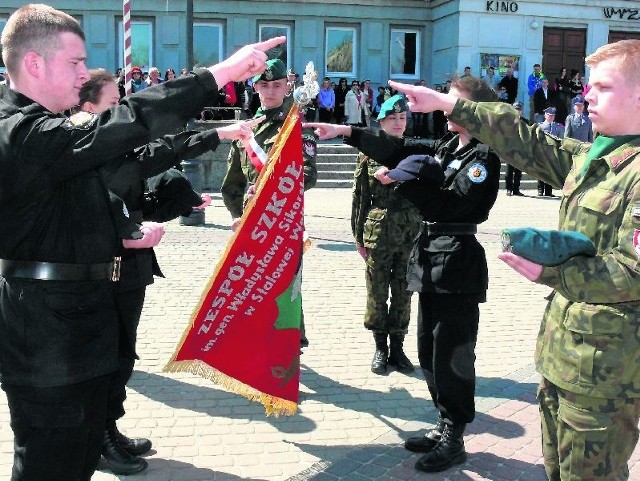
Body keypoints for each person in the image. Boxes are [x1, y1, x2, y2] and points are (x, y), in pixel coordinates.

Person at [0, 5, 284, 480]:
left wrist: (126, 232)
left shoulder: (47, 133)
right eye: (75, 63)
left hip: (81, 323)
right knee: (50, 465)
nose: (83, 75)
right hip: (48, 340)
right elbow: (130, 123)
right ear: (34, 63)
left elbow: (81, 206)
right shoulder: (20, 132)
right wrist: (219, 74)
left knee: (79, 457)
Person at [385, 38, 640, 481]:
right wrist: (450, 103)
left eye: (603, 87)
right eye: (589, 86)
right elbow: (527, 141)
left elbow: (633, 271)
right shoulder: (600, 158)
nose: (586, 94)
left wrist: (555, 270)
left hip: (608, 372)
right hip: (566, 357)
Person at [305, 75, 501, 474]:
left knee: (453, 354)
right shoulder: (448, 146)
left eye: (453, 100)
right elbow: (400, 149)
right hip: (431, 255)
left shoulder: (482, 157)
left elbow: (450, 206)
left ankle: (455, 436)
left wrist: (400, 182)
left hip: (458, 258)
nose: (445, 105)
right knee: (429, 350)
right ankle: (442, 421)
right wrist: (347, 131)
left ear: (473, 109)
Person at [77, 68, 264, 475]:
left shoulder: (110, 148)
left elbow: (157, 157)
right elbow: (149, 159)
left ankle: (109, 427)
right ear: (87, 107)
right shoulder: (84, 151)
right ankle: (96, 439)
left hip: (128, 270)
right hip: (98, 272)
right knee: (104, 356)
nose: (117, 114)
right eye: (112, 105)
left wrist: (217, 139)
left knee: (123, 353)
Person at [220, 58, 317, 348]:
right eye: (265, 85)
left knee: (286, 286)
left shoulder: (296, 124)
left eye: (277, 85)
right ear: (255, 86)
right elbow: (232, 183)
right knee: (252, 286)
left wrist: (270, 192)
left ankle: (289, 344)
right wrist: (239, 216)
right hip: (253, 226)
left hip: (283, 221)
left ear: (288, 86)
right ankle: (258, 345)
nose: (271, 91)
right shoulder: (246, 129)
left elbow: (308, 175)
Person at [351, 95, 420, 375]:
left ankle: (399, 347)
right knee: (377, 292)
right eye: (392, 118)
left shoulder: (415, 153)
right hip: (377, 232)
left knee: (404, 292)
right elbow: (360, 197)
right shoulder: (368, 154)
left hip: (409, 233)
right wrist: (358, 237)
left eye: (402, 118)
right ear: (381, 121)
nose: (398, 123)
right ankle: (380, 347)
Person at [535, 107, 564, 197]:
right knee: (541, 171)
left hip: (553, 152)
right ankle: (540, 190)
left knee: (551, 172)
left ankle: (548, 191)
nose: (550, 117)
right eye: (549, 115)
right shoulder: (540, 126)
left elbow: (560, 139)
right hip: (542, 152)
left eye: (552, 116)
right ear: (545, 115)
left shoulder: (557, 127)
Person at [505, 101, 526, 196]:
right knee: (509, 170)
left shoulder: (525, 121)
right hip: (510, 148)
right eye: (516, 109)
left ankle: (516, 189)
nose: (518, 110)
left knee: (518, 171)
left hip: (520, 148)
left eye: (519, 109)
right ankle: (509, 189)